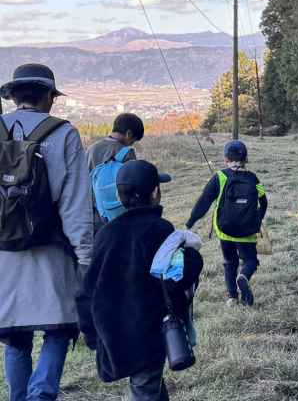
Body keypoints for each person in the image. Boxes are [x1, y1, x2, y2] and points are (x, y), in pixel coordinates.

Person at [0, 63, 93, 401]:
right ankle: (41, 394)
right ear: (49, 97)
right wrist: (85, 257)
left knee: (15, 336)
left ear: (13, 96)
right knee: (59, 328)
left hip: (3, 253)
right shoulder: (64, 133)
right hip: (50, 249)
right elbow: (75, 204)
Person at [77, 160, 203, 401]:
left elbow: (87, 289)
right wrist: (193, 257)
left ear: (118, 195)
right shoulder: (159, 229)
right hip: (147, 330)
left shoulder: (105, 234)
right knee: (144, 388)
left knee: (150, 384)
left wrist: (91, 333)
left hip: (112, 331)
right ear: (155, 192)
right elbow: (175, 278)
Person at [186, 141, 267, 306]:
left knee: (229, 261)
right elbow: (263, 202)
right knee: (250, 260)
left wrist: (191, 222)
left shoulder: (220, 176)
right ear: (246, 159)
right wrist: (258, 220)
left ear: (225, 159)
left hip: (224, 230)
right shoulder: (252, 178)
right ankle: (243, 276)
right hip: (247, 230)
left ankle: (232, 297)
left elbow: (204, 201)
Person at [87, 113, 144, 227]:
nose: (132, 143)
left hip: (92, 213)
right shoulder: (126, 153)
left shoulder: (92, 148)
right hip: (115, 213)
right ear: (128, 134)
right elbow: (132, 187)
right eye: (134, 140)